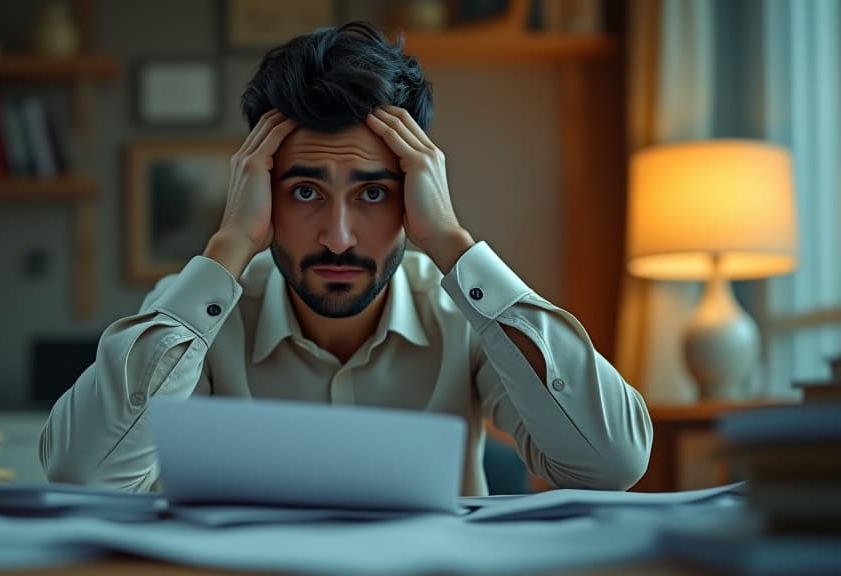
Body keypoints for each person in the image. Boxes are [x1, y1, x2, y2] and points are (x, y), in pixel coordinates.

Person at [40, 21, 652, 495]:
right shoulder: (195, 312)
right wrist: (227, 244)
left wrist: (451, 242)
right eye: (305, 192)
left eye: (374, 193)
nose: (338, 236)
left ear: (416, 194)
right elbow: (83, 478)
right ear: (264, 196)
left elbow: (613, 463)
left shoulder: (466, 317)